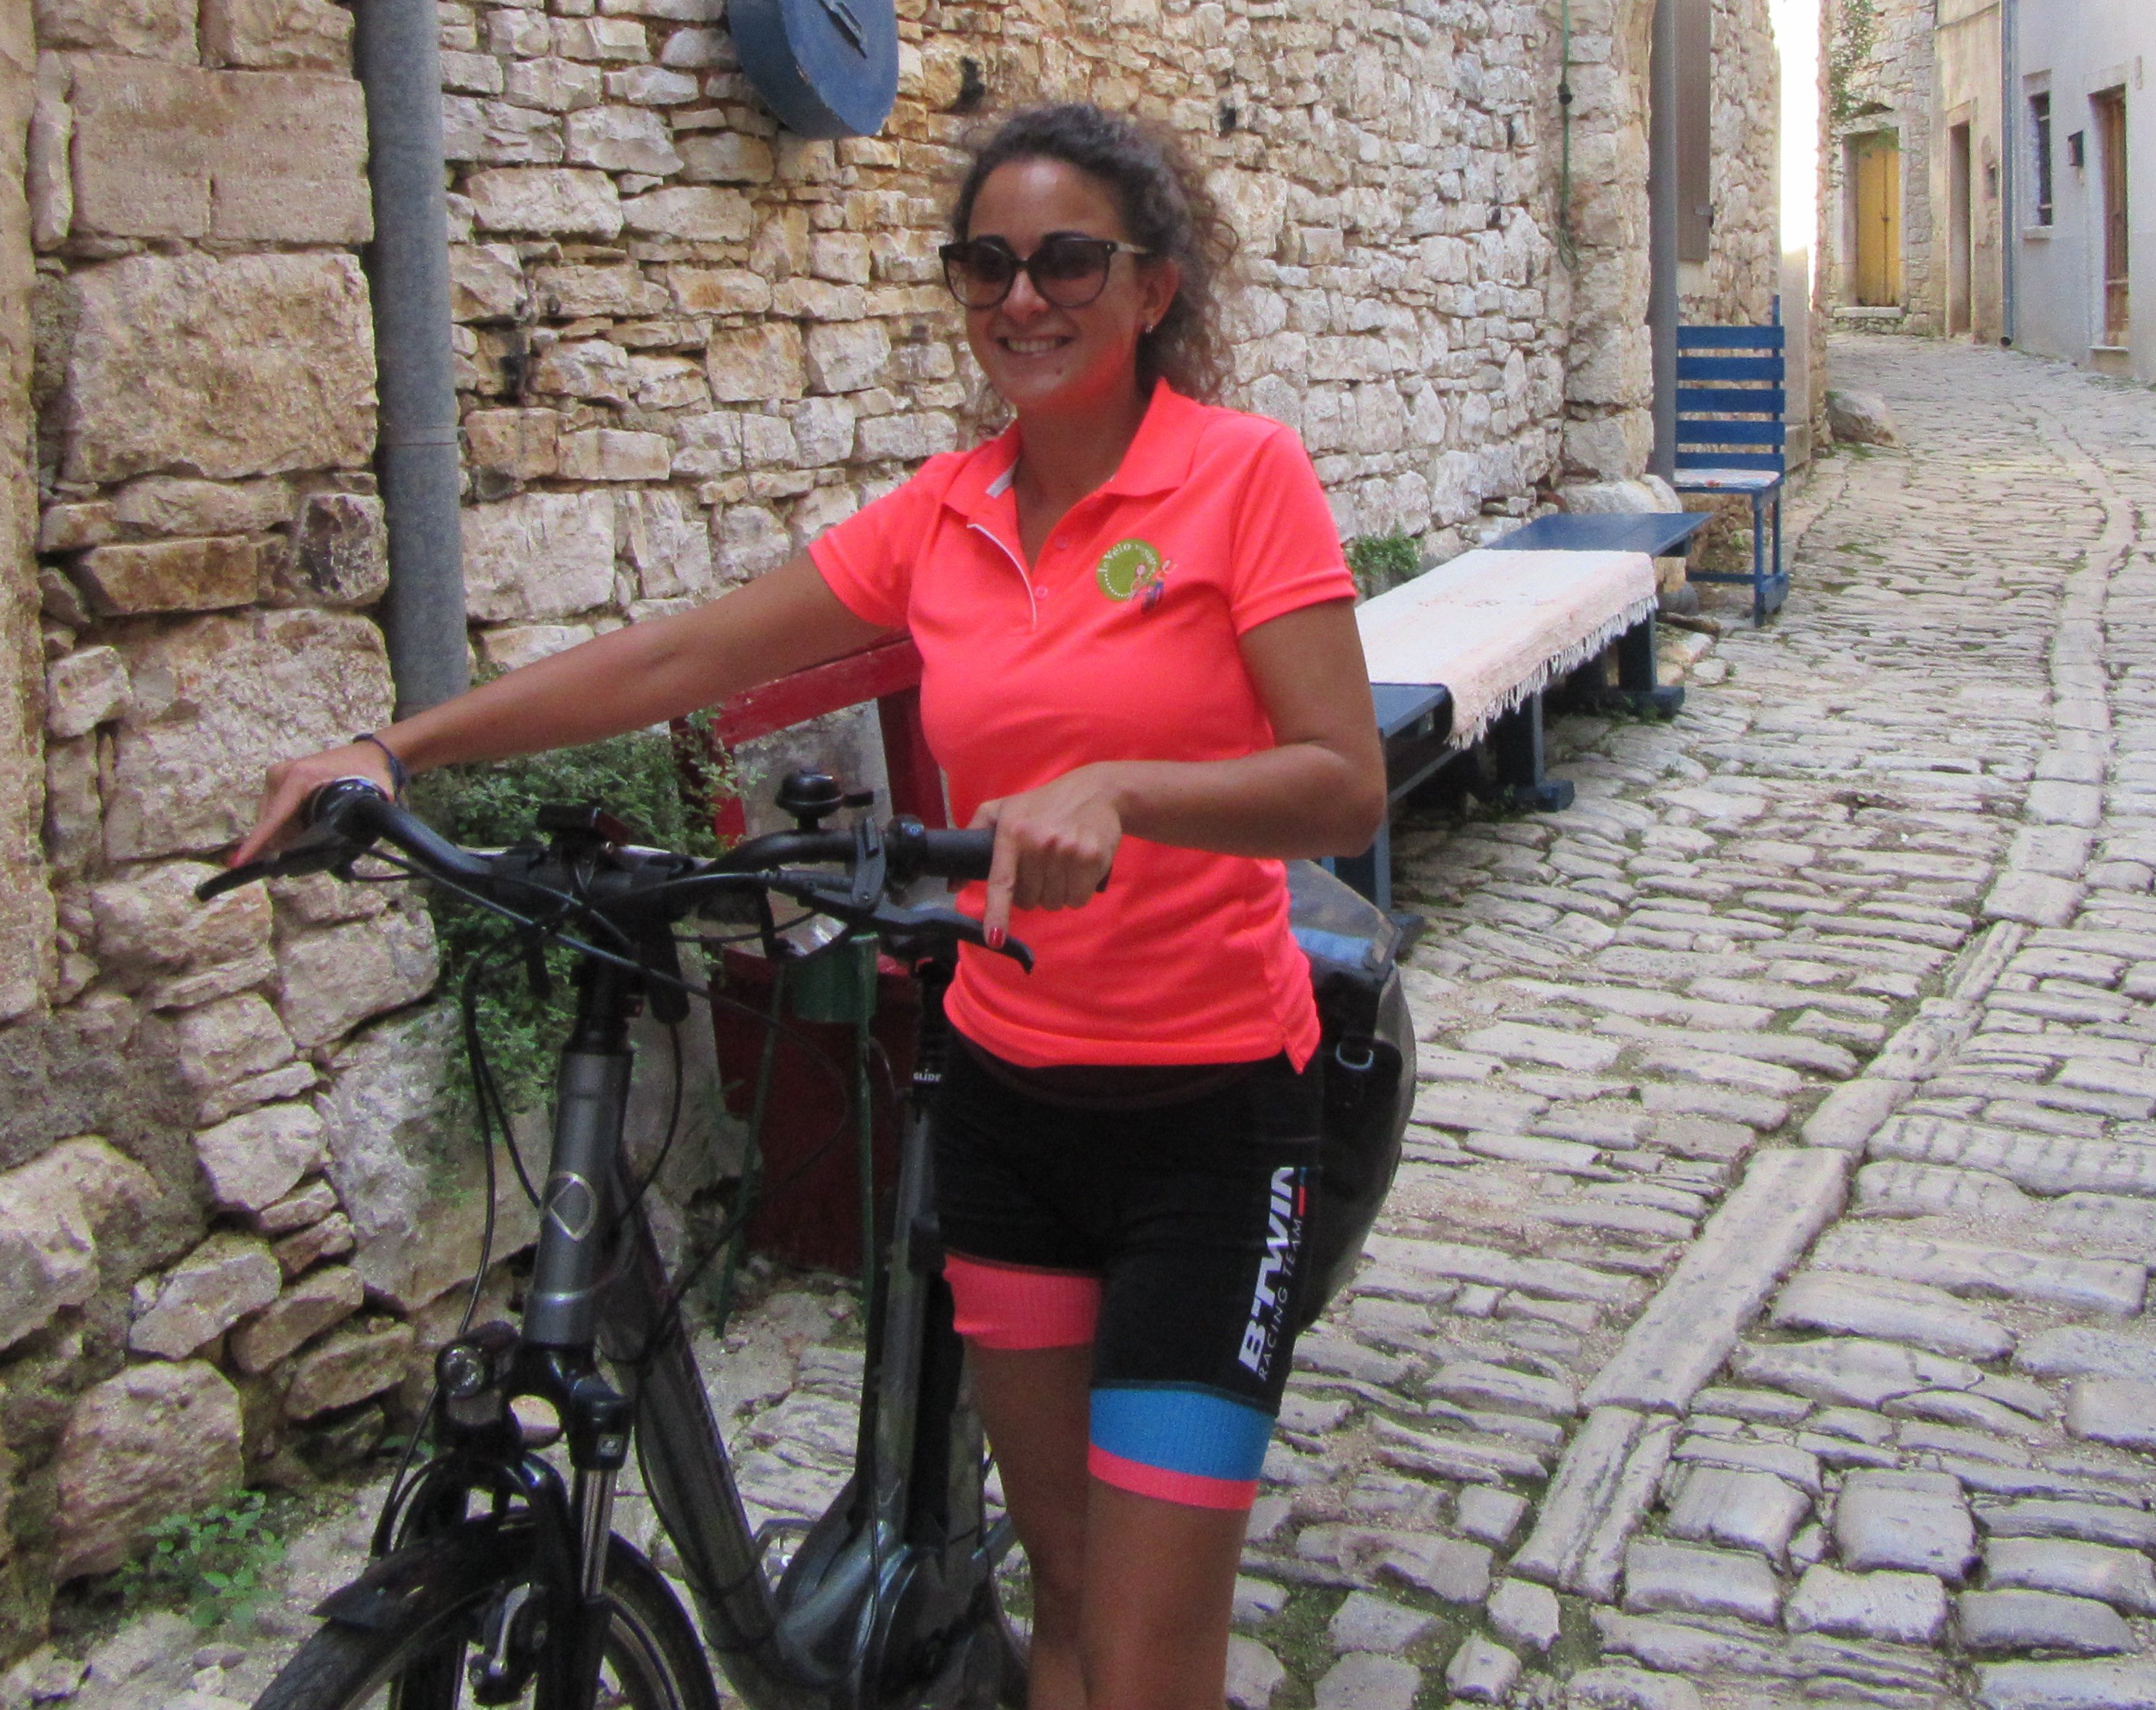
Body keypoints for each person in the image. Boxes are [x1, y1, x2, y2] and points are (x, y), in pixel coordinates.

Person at [234, 99, 1385, 1710]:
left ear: (1154, 287)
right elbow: (679, 658)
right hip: (1006, 1109)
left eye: (1066, 260)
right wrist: (395, 747)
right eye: (985, 263)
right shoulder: (949, 513)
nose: (1021, 298)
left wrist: (1131, 790)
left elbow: (1343, 781)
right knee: (1063, 1599)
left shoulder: (1239, 478)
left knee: (1150, 1652)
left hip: (1209, 1120)